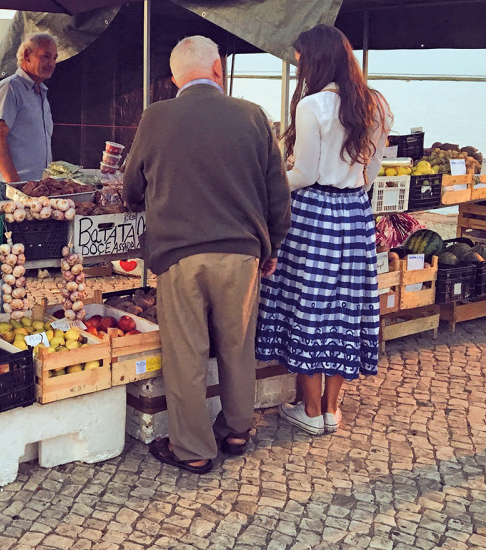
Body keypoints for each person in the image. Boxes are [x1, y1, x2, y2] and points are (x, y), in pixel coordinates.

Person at [123, 36, 291, 473]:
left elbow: (131, 190)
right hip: (242, 254)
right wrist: (270, 245)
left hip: (180, 255)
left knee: (187, 352)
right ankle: (238, 428)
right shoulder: (253, 116)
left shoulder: (155, 117)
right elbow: (278, 192)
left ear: (176, 77)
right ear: (217, 69)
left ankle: (194, 449)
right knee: (238, 344)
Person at [256, 24, 392, 436]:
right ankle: (332, 408)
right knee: (344, 309)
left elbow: (305, 173)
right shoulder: (377, 105)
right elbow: (371, 173)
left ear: (314, 61)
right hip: (354, 215)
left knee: (307, 307)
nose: (298, 67)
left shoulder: (312, 105)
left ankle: (311, 410)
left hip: (314, 214)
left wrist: (270, 182)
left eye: (299, 60)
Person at [0, 32, 58, 200]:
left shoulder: (41, 93)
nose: (52, 63)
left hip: (34, 186)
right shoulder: (9, 89)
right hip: (9, 188)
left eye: (54, 58)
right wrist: (16, 187)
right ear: (27, 55)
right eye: (46, 56)